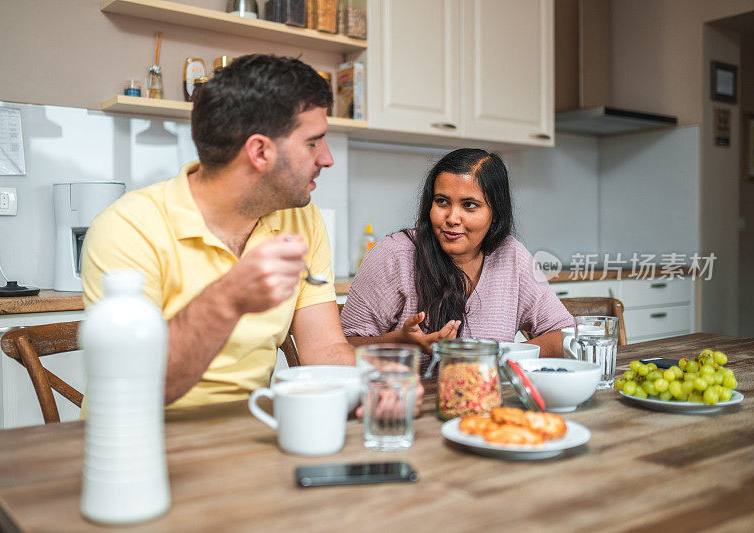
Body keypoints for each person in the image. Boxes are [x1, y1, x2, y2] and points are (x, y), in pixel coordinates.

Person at [81, 55, 355, 408]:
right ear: (259, 151)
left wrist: (378, 381)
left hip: (252, 430)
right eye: (313, 142)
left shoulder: (302, 219)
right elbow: (136, 386)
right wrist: (230, 297)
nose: (327, 158)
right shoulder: (127, 228)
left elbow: (325, 350)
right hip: (139, 441)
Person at [340, 148, 573, 362]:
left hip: (485, 401)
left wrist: (496, 359)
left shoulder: (511, 256)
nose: (452, 218)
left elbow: (563, 335)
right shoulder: (393, 256)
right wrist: (399, 340)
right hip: (405, 400)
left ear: (495, 215)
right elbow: (341, 347)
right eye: (442, 202)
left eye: (469, 205)